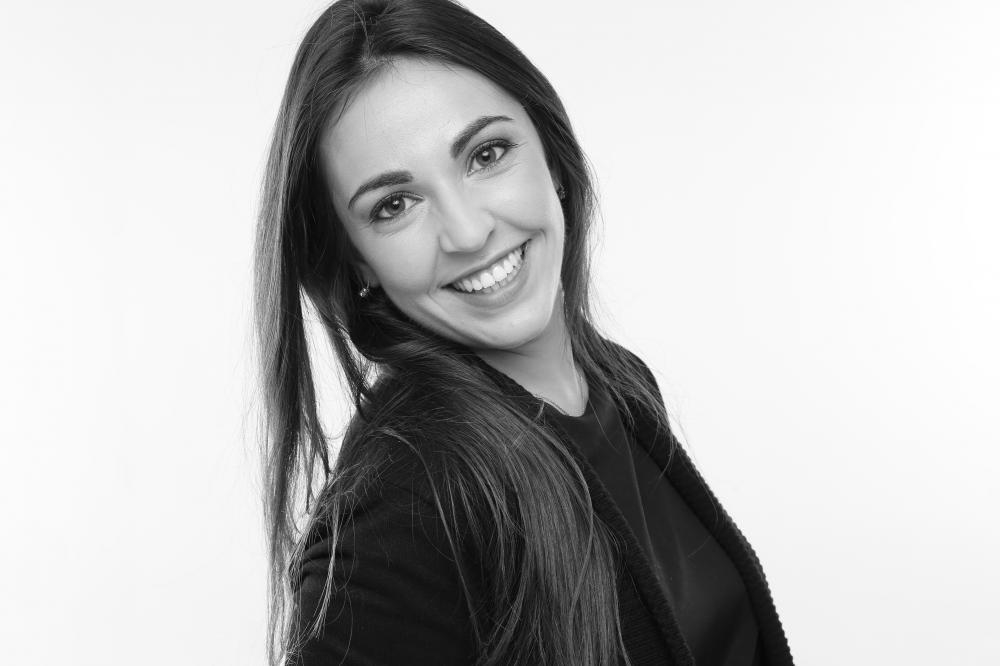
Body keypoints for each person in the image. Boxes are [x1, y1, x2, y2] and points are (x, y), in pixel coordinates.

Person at [253, 0, 794, 664]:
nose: (467, 231)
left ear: (551, 156)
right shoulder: (405, 506)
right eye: (394, 205)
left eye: (486, 154)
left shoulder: (618, 382)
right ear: (357, 259)